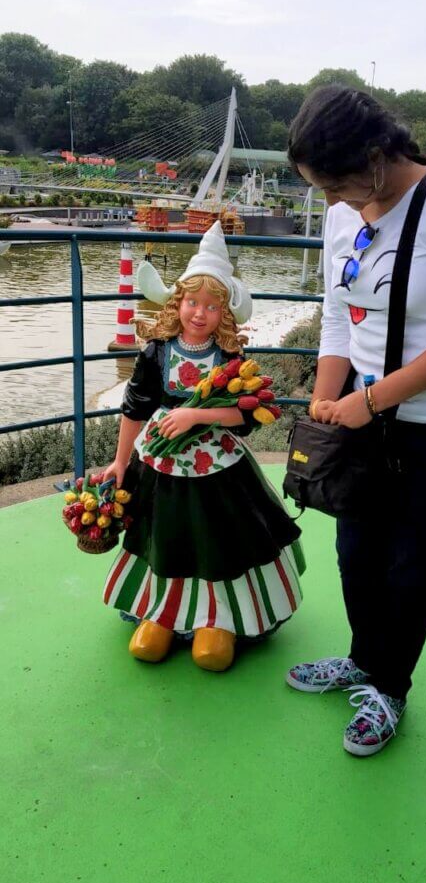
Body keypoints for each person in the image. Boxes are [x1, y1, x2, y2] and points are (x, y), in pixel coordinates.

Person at [285, 85, 426, 758]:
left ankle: (389, 687)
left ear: (377, 159)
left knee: (409, 562)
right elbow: (336, 315)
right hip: (364, 412)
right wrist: (329, 403)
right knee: (355, 551)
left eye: (338, 184)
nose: (332, 202)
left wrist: (371, 400)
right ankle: (362, 656)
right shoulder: (341, 217)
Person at [102, 222, 304, 670]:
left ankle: (219, 619)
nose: (199, 313)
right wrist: (120, 462)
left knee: (219, 538)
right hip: (161, 464)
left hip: (218, 466)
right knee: (163, 535)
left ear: (225, 313)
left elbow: (246, 415)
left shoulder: (230, 358)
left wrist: (196, 414)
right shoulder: (157, 352)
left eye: (212, 306)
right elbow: (135, 407)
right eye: (193, 302)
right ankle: (163, 613)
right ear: (178, 303)